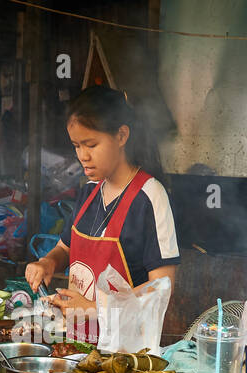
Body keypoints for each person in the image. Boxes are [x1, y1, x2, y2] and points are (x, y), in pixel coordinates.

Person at [24, 86, 180, 331]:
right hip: (77, 345)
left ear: (121, 136)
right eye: (76, 145)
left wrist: (95, 309)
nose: (82, 156)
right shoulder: (89, 192)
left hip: (125, 353)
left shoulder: (150, 196)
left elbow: (162, 287)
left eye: (91, 144)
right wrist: (48, 262)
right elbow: (66, 247)